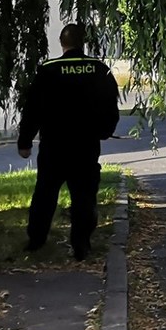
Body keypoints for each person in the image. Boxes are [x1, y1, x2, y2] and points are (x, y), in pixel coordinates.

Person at [18, 23, 120, 260]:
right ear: (82, 42)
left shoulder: (48, 70)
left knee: (45, 193)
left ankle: (36, 240)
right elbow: (110, 106)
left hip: (54, 145)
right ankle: (81, 244)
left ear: (61, 43)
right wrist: (105, 131)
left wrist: (25, 141)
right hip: (85, 145)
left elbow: (33, 109)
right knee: (84, 195)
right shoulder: (99, 69)